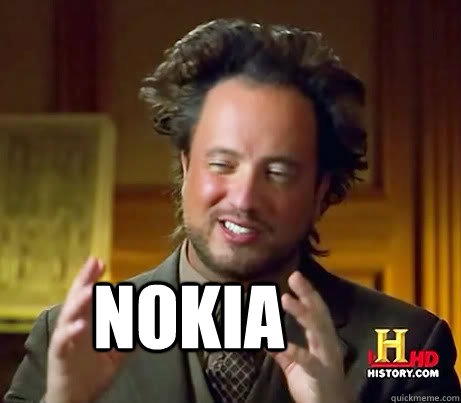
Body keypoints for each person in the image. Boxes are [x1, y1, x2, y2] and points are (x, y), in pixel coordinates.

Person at [5, 19, 460, 403]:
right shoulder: (71, 339)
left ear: (321, 190)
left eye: (277, 172)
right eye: (222, 164)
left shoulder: (407, 347)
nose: (243, 199)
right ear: (186, 166)